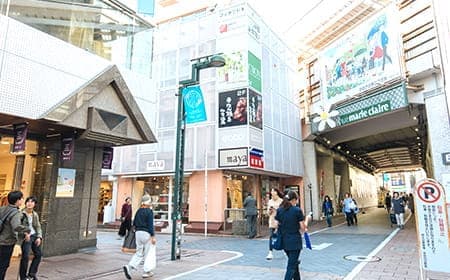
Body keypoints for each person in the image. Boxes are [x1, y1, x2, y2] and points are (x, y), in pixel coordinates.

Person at [275, 190, 307, 280]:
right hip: (295, 242)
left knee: (294, 263)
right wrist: (307, 219)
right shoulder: (297, 210)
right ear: (293, 200)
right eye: (297, 200)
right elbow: (303, 228)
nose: (297, 202)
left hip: (284, 241)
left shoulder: (280, 210)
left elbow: (277, 225)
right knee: (291, 266)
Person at [123, 195, 156, 279]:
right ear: (148, 203)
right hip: (146, 234)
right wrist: (152, 236)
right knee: (148, 253)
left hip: (138, 233)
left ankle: (129, 267)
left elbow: (134, 224)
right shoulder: (149, 211)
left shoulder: (138, 211)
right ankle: (146, 272)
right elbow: (150, 225)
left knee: (139, 252)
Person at [0, 191, 30, 280]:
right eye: (21, 198)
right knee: (3, 265)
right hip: (6, 242)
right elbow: (16, 226)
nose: (22, 200)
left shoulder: (2, 209)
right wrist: (27, 229)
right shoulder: (16, 213)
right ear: (17, 200)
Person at [19, 196, 43, 280]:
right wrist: (25, 233)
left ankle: (32, 274)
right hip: (26, 237)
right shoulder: (21, 213)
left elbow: (38, 226)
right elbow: (17, 226)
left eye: (32, 202)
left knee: (38, 254)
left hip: (34, 236)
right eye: (28, 201)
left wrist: (39, 237)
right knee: (25, 256)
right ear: (25, 203)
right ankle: (23, 277)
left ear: (35, 204)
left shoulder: (34, 214)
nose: (29, 203)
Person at [266, 188, 283, 260]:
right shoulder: (270, 201)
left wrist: (275, 209)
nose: (272, 192)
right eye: (271, 191)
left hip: (280, 221)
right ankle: (270, 252)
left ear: (276, 192)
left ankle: (286, 250)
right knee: (271, 236)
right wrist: (270, 210)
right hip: (272, 220)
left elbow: (282, 211)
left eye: (273, 191)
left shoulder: (281, 201)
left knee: (282, 236)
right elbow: (268, 213)